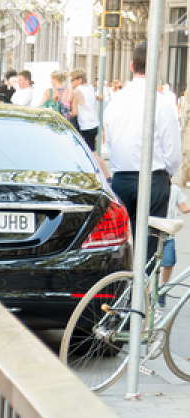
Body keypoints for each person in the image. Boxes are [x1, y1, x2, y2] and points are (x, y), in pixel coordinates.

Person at [102, 41, 183, 261]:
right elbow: (173, 151)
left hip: (121, 178)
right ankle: (144, 293)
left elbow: (109, 144)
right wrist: (167, 174)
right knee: (148, 250)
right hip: (152, 179)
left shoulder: (115, 102)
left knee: (123, 246)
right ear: (156, 67)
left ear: (131, 66)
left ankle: (124, 291)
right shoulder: (162, 102)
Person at [72, 68, 100, 150]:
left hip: (85, 125)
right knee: (91, 150)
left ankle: (99, 163)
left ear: (80, 80)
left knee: (90, 153)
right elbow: (94, 97)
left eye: (72, 80)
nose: (71, 83)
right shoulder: (90, 87)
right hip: (94, 123)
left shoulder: (77, 91)